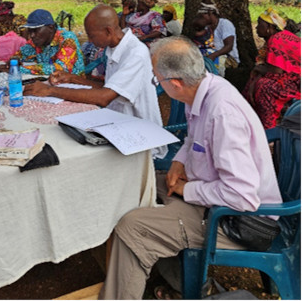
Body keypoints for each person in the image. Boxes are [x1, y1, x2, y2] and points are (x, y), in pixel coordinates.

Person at [98, 35, 282, 300]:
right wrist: (179, 161)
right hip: (213, 196)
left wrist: (189, 190)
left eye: (156, 79)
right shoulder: (203, 88)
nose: (156, 84)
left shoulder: (223, 114)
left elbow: (242, 196)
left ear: (174, 83)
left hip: (238, 219)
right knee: (142, 183)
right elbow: (194, 136)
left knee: (132, 227)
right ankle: (188, 283)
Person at [24, 5, 164, 129]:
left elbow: (104, 97)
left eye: (91, 36)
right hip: (117, 122)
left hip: (139, 130)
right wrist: (73, 78)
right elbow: (108, 87)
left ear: (108, 31)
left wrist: (50, 90)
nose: (90, 41)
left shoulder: (135, 53)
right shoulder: (113, 47)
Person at [242, 7, 301, 129]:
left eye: (260, 24)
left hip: (297, 83)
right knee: (256, 81)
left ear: (270, 27)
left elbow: (276, 71)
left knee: (264, 87)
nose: (256, 27)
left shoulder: (277, 39)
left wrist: (257, 70)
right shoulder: (281, 36)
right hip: (295, 78)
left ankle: (268, 126)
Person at [3, 9, 85, 75]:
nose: (32, 35)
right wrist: (13, 61)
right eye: (30, 31)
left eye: (35, 30)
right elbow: (21, 53)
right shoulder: (37, 41)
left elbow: (60, 69)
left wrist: (18, 69)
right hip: (50, 83)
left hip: (73, 87)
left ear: (50, 27)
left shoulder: (68, 39)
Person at [197, 2, 239, 76]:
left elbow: (229, 46)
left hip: (229, 58)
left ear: (210, 14)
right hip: (213, 54)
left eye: (202, 17)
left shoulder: (225, 24)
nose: (201, 19)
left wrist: (213, 55)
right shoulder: (207, 27)